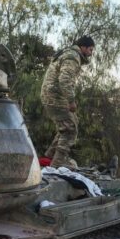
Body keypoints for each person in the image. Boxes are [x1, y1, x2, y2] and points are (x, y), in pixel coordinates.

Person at [40, 36, 95, 169]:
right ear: (83, 47)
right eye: (90, 50)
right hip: (55, 97)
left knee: (69, 124)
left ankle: (49, 158)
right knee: (70, 129)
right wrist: (71, 100)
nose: (91, 53)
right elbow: (64, 80)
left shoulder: (69, 53)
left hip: (51, 95)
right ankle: (55, 167)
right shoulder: (72, 56)